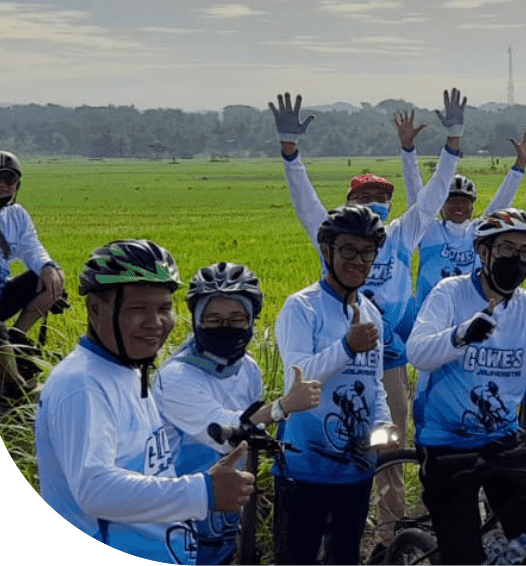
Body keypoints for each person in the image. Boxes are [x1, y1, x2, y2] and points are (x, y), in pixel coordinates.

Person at [271, 89, 465, 528]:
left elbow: (432, 198)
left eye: (380, 196)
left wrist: (452, 145)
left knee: (388, 445)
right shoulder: (333, 239)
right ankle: (323, 526)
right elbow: (306, 204)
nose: (372, 203)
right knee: (330, 442)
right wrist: (290, 154)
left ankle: (388, 527)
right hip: (333, 359)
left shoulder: (398, 236)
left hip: (389, 356)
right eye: (363, 197)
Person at [35, 240, 255, 564]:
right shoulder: (82, 385)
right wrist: (203, 492)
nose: (155, 322)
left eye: (164, 308)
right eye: (138, 309)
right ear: (95, 308)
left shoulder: (126, 367)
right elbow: (94, 489)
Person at [406, 208, 526, 565]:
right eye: (509, 249)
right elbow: (417, 353)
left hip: (503, 439)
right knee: (463, 555)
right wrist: (461, 335)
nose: (518, 260)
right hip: (447, 443)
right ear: (483, 252)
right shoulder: (451, 293)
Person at [154, 262, 322, 565]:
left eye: (236, 319)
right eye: (213, 320)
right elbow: (227, 433)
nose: (225, 328)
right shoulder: (177, 377)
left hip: (224, 520)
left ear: (251, 321)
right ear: (196, 321)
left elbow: (251, 431)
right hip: (177, 527)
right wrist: (283, 407)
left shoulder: (248, 370)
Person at [272, 205, 400, 565]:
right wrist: (346, 346)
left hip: (356, 468)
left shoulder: (371, 312)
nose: (358, 261)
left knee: (345, 558)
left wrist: (383, 421)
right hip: (303, 468)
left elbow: (373, 382)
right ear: (327, 251)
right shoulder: (302, 307)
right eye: (348, 250)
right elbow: (297, 379)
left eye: (367, 252)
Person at [396, 106, 526, 302]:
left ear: (472, 206)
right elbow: (415, 193)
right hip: (429, 318)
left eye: (464, 201)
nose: (459, 206)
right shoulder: (429, 230)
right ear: (441, 204)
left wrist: (521, 163)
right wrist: (408, 148)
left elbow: (502, 202)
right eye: (452, 201)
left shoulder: (479, 231)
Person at [0, 149, 67, 403]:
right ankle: (15, 390)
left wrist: (48, 267)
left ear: (17, 185)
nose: (1, 186)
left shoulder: (17, 215)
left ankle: (17, 337)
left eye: (9, 181)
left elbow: (31, 247)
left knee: (52, 278)